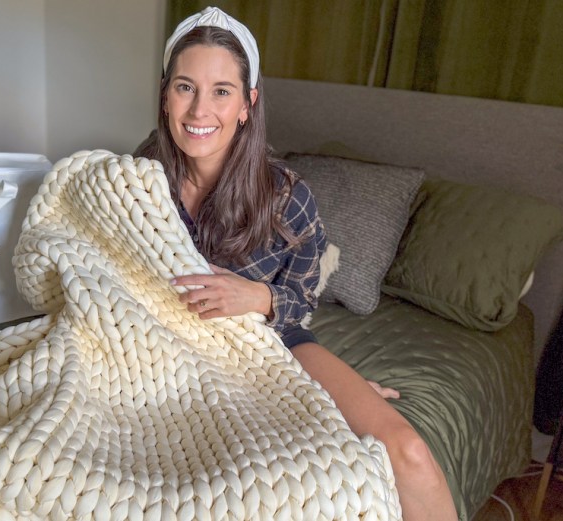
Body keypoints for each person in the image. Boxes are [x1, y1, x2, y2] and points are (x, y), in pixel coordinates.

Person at [136, 7, 459, 521]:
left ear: (248, 103)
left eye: (222, 90)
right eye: (184, 87)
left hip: (271, 341)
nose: (200, 109)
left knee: (411, 454)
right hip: (162, 350)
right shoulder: (137, 177)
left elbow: (301, 301)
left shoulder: (287, 196)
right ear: (165, 94)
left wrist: (256, 297)